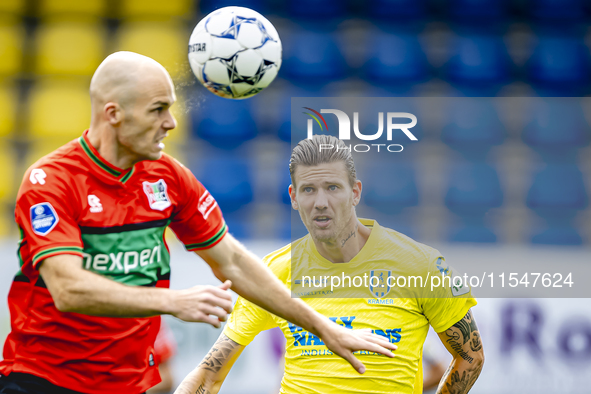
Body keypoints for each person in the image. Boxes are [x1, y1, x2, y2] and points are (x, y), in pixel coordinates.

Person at [0, 53, 395, 394]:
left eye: (170, 108)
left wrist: (323, 327)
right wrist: (172, 301)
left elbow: (233, 263)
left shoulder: (168, 177)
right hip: (41, 380)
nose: (170, 122)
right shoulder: (51, 180)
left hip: (128, 384)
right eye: (158, 109)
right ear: (113, 114)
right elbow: (69, 289)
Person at [175, 135, 485, 394]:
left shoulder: (420, 266)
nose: (320, 202)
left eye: (332, 188)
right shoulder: (273, 272)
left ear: (355, 192)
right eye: (309, 190)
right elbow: (209, 375)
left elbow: (470, 356)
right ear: (293, 197)